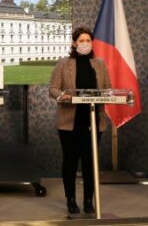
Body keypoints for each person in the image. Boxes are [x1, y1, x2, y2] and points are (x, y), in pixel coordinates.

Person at [49, 26, 111, 215]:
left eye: (88, 40)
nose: (85, 44)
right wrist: (63, 96)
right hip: (69, 122)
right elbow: (53, 89)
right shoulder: (63, 64)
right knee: (70, 161)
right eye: (81, 40)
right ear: (74, 43)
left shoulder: (99, 63)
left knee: (90, 163)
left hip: (93, 121)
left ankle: (88, 201)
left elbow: (108, 88)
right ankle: (71, 200)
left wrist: (107, 95)